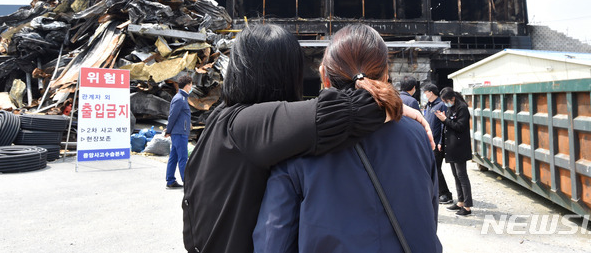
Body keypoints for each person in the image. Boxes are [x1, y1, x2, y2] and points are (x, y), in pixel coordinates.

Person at [182, 24, 433, 253]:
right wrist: (393, 105)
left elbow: (274, 238)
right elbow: (336, 113)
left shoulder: (223, 118)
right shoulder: (254, 125)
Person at [253, 24, 442, 253]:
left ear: (324, 76)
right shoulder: (417, 134)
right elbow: (429, 215)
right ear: (385, 75)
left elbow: (273, 242)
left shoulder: (297, 141)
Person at [435, 86, 473, 216]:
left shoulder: (462, 107)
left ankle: (467, 206)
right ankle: (460, 202)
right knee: (456, 176)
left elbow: (460, 126)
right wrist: (445, 119)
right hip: (452, 146)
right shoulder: (452, 107)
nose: (446, 103)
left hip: (459, 147)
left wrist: (445, 120)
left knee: (462, 176)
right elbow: (450, 123)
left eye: (446, 101)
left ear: (452, 98)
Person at [423, 83, 453, 204]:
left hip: (437, 143)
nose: (424, 94)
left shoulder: (441, 105)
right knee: (432, 168)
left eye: (425, 92)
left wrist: (441, 141)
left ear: (431, 92)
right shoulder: (428, 106)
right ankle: (438, 192)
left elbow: (443, 125)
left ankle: (445, 194)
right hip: (429, 142)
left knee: (436, 168)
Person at [165, 75, 193, 189]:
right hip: (180, 133)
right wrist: (169, 130)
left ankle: (170, 180)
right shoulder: (180, 99)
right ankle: (187, 183)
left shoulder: (182, 98)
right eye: (191, 85)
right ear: (187, 86)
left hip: (180, 132)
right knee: (183, 158)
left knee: (174, 157)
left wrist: (188, 123)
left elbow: (181, 115)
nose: (192, 87)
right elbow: (173, 116)